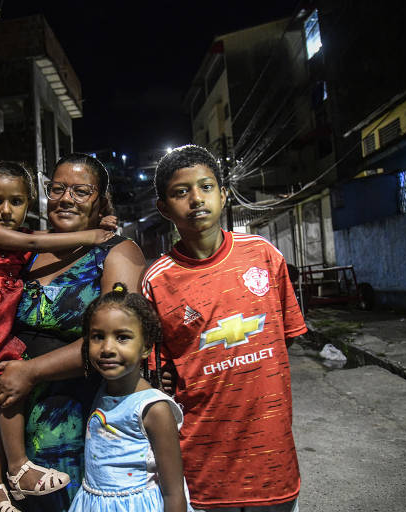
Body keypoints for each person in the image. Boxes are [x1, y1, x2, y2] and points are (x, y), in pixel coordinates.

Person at [0, 161, 116, 512]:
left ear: (28, 203)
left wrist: (98, 223)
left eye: (16, 202)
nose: (6, 211)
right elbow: (33, 238)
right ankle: (16, 469)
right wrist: (91, 235)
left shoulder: (24, 249)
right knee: (7, 378)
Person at [143, 145, 307, 511]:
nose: (196, 199)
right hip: (205, 471)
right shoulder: (156, 281)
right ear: (164, 208)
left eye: (205, 186)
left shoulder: (264, 255)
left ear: (223, 194)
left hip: (274, 462)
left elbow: (286, 339)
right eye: (180, 192)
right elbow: (158, 374)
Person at [0, 153, 147, 512]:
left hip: (80, 419)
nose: (65, 198)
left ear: (101, 200)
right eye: (57, 189)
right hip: (13, 417)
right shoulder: (26, 251)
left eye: (81, 191)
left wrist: (30, 372)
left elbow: (117, 338)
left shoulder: (115, 252)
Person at [69, 283, 188, 512]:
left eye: (122, 338)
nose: (107, 348)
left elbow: (174, 492)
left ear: (145, 348)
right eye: (97, 337)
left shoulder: (154, 409)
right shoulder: (100, 389)